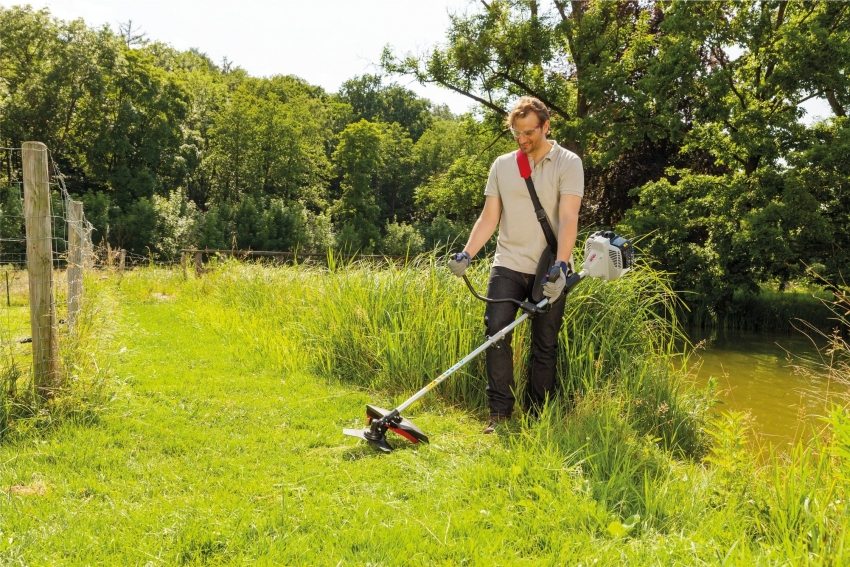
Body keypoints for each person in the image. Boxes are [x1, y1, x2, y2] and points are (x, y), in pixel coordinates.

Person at [448, 96, 584, 433]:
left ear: (546, 126)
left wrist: (562, 266)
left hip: (549, 267)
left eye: (529, 133)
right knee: (495, 332)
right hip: (507, 262)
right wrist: (467, 253)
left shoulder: (568, 162)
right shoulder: (503, 165)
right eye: (516, 134)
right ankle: (499, 414)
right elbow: (489, 216)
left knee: (545, 342)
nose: (522, 140)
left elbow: (568, 218)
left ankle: (539, 415)